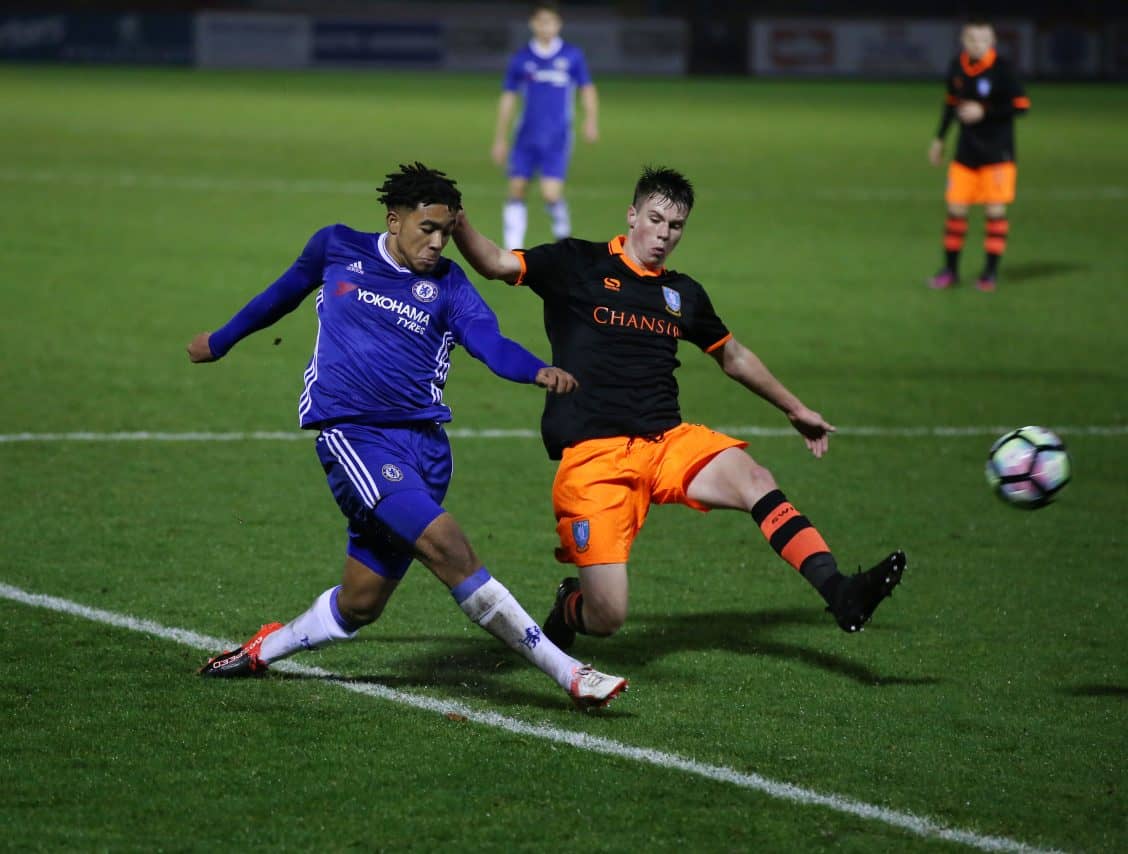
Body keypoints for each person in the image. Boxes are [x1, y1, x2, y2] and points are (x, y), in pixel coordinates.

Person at [186, 162, 627, 710]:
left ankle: (262, 649)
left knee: (360, 604)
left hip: (425, 452)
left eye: (447, 230)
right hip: (356, 436)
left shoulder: (449, 286)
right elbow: (278, 297)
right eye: (428, 229)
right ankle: (569, 673)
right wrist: (221, 341)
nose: (439, 243)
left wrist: (535, 369)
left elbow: (489, 342)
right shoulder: (336, 248)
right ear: (394, 221)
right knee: (450, 547)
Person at [453, 166, 906, 650]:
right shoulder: (576, 262)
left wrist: (794, 408)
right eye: (656, 219)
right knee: (607, 615)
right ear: (632, 215)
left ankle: (840, 592)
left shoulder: (681, 293)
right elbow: (497, 263)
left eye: (676, 226)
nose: (664, 235)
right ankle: (570, 604)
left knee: (756, 480)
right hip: (594, 460)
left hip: (667, 442)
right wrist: (457, 221)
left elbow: (733, 357)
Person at [928, 20, 1030, 292]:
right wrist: (939, 139)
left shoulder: (1003, 69)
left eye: (985, 40)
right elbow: (950, 104)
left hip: (998, 154)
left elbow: (1022, 105)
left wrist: (985, 111)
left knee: (994, 212)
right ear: (964, 40)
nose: (979, 45)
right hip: (966, 153)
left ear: (993, 40)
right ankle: (950, 271)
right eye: (973, 39)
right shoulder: (956, 66)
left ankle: (990, 274)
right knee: (955, 211)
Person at [492, 2, 598, 250]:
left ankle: (563, 233)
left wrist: (590, 120)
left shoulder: (572, 56)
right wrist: (500, 137)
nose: (546, 27)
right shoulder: (522, 58)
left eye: (550, 22)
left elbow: (587, 89)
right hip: (525, 137)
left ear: (558, 25)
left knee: (550, 193)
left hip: (557, 138)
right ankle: (513, 248)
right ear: (533, 24)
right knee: (517, 189)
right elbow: (508, 97)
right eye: (541, 22)